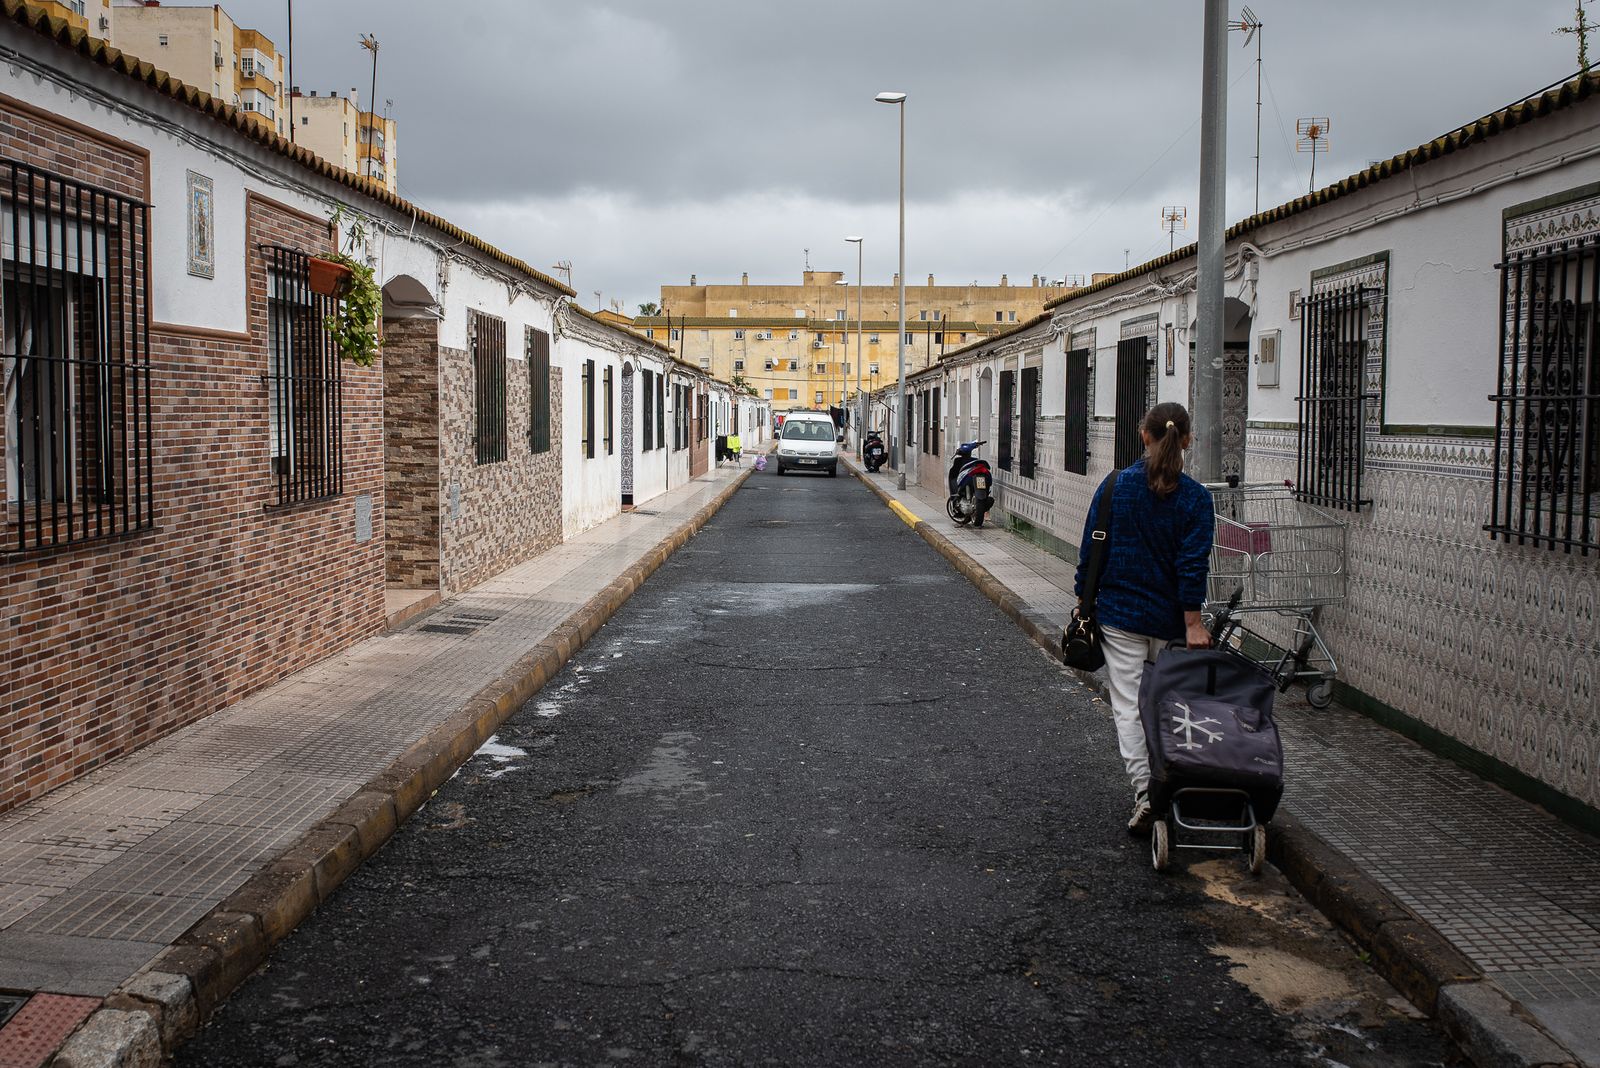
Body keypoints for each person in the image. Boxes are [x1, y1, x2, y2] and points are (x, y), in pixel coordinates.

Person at [1073, 402, 1214, 836]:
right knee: (1170, 707)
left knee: (1130, 708)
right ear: (1187, 440)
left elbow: (1091, 548)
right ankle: (1175, 784)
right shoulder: (1196, 498)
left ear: (1143, 435)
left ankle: (1146, 793)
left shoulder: (1116, 486)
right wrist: (1193, 622)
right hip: (1171, 622)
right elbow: (1192, 566)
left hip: (1121, 617)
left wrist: (1082, 602)